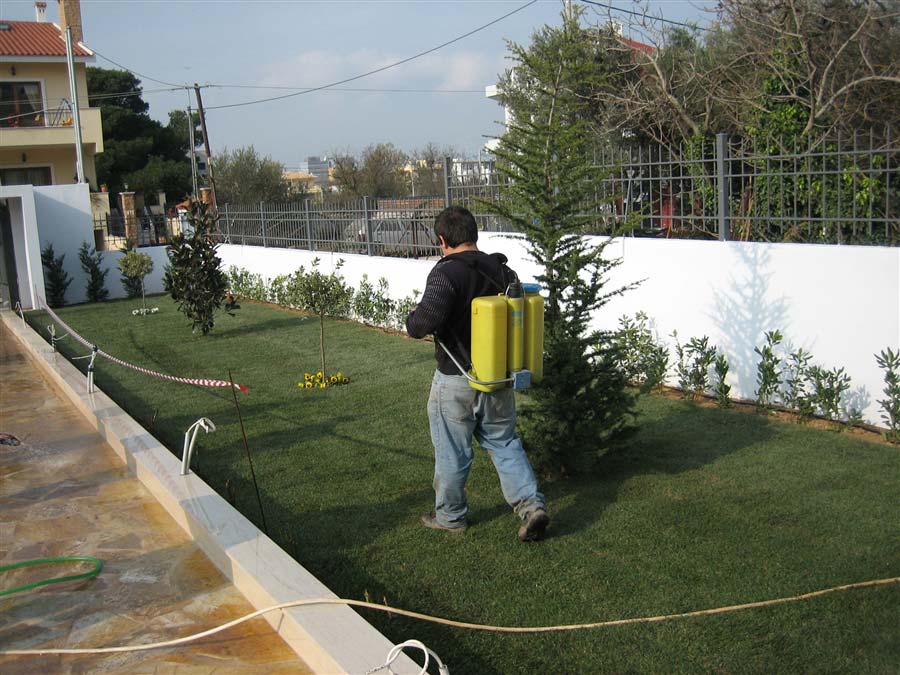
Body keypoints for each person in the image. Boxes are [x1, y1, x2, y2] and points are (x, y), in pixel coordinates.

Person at [406, 206, 549, 542]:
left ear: (442, 240)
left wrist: (412, 318)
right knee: (505, 443)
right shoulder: (503, 271)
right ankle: (531, 507)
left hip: (456, 380)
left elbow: (422, 323)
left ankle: (450, 517)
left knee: (452, 453)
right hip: (497, 378)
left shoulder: (445, 273)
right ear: (474, 235)